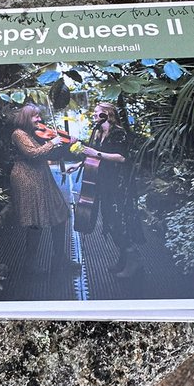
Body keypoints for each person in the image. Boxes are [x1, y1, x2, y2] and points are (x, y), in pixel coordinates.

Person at [9, 103, 71, 270]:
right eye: (35, 116)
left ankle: (59, 259)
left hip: (41, 176)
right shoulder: (18, 134)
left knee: (60, 213)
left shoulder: (33, 134)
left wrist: (66, 143)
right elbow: (33, 154)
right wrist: (53, 142)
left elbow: (50, 154)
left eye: (39, 116)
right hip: (27, 178)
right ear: (26, 118)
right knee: (34, 220)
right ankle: (30, 265)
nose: (39, 119)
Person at [81, 102, 135, 275]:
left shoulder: (118, 133)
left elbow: (121, 158)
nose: (94, 115)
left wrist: (95, 153)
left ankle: (134, 262)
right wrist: (78, 164)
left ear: (107, 114)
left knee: (118, 222)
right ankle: (124, 260)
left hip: (117, 184)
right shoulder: (99, 133)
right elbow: (94, 157)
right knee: (110, 221)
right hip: (103, 182)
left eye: (97, 113)